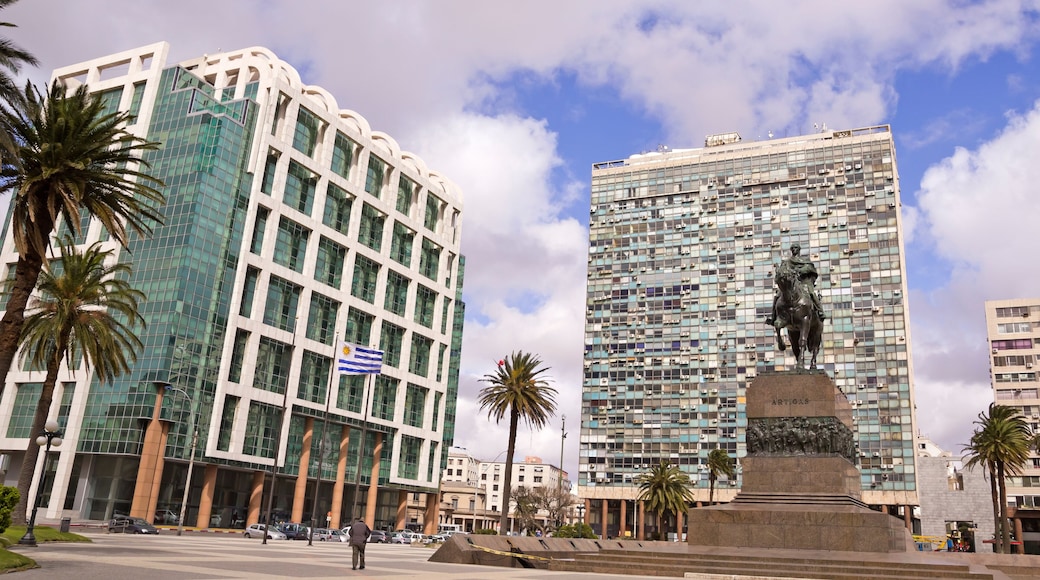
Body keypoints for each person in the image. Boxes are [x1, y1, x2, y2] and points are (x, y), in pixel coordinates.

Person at [766, 244, 827, 327]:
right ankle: (773, 316)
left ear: (799, 249)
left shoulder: (804, 260)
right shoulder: (787, 262)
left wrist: (799, 270)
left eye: (796, 248)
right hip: (791, 283)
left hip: (803, 282)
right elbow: (783, 271)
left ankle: (820, 312)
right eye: (793, 248)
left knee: (812, 293)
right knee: (777, 296)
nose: (794, 250)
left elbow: (810, 268)